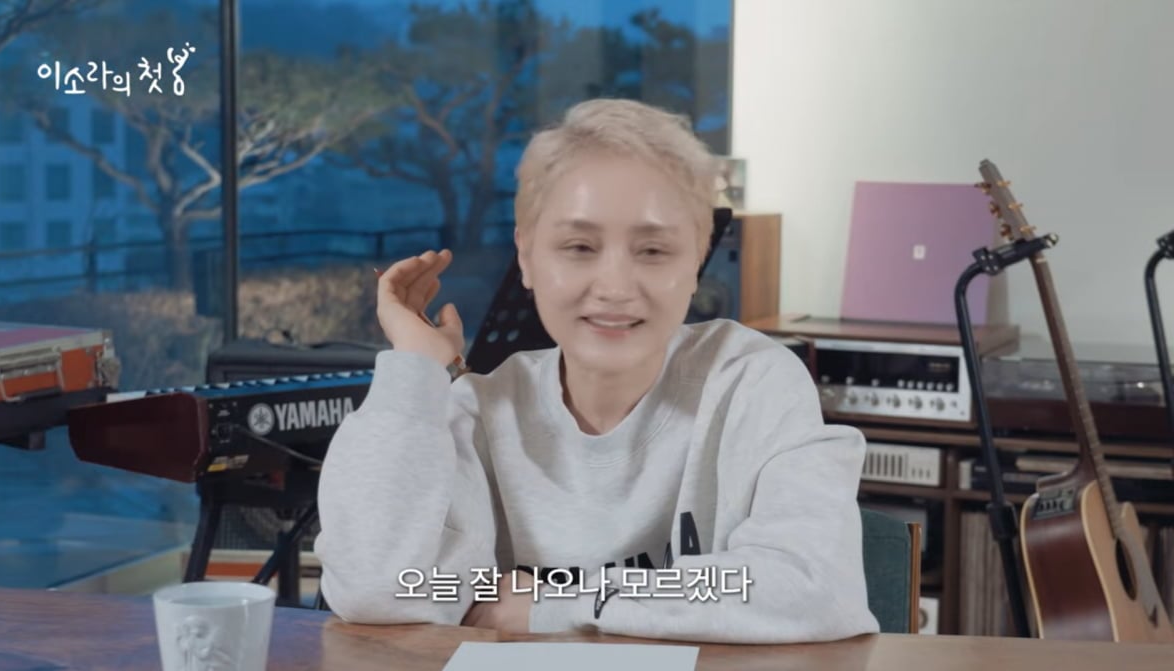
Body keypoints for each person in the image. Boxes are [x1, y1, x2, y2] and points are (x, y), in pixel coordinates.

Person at [314, 98, 879, 643]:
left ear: (697, 258)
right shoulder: (480, 410)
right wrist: (415, 368)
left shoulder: (751, 383)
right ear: (526, 256)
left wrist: (550, 605)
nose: (614, 287)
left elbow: (810, 588)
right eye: (579, 247)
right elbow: (381, 587)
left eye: (653, 251)